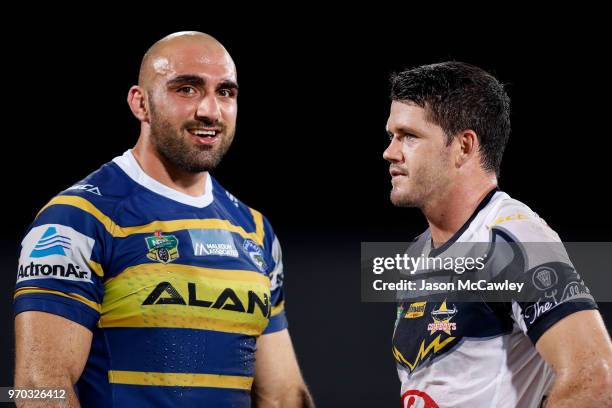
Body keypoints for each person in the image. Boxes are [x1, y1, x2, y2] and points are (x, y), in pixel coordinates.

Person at [14, 31, 314, 408]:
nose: (209, 111)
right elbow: (36, 389)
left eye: (225, 92)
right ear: (140, 104)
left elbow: (284, 395)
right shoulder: (76, 219)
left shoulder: (254, 230)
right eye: (186, 89)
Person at [383, 61, 612, 407]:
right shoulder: (417, 254)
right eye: (392, 136)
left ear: (463, 147)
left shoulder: (512, 238)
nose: (390, 152)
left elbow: (595, 378)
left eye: (409, 137)